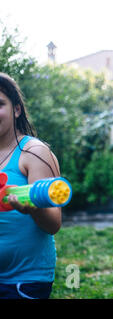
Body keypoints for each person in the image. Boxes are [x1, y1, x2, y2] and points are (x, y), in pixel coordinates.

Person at [0, 73, 62, 299]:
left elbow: (53, 224)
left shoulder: (34, 153)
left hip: (24, 281)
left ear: (17, 109)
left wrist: (34, 208)